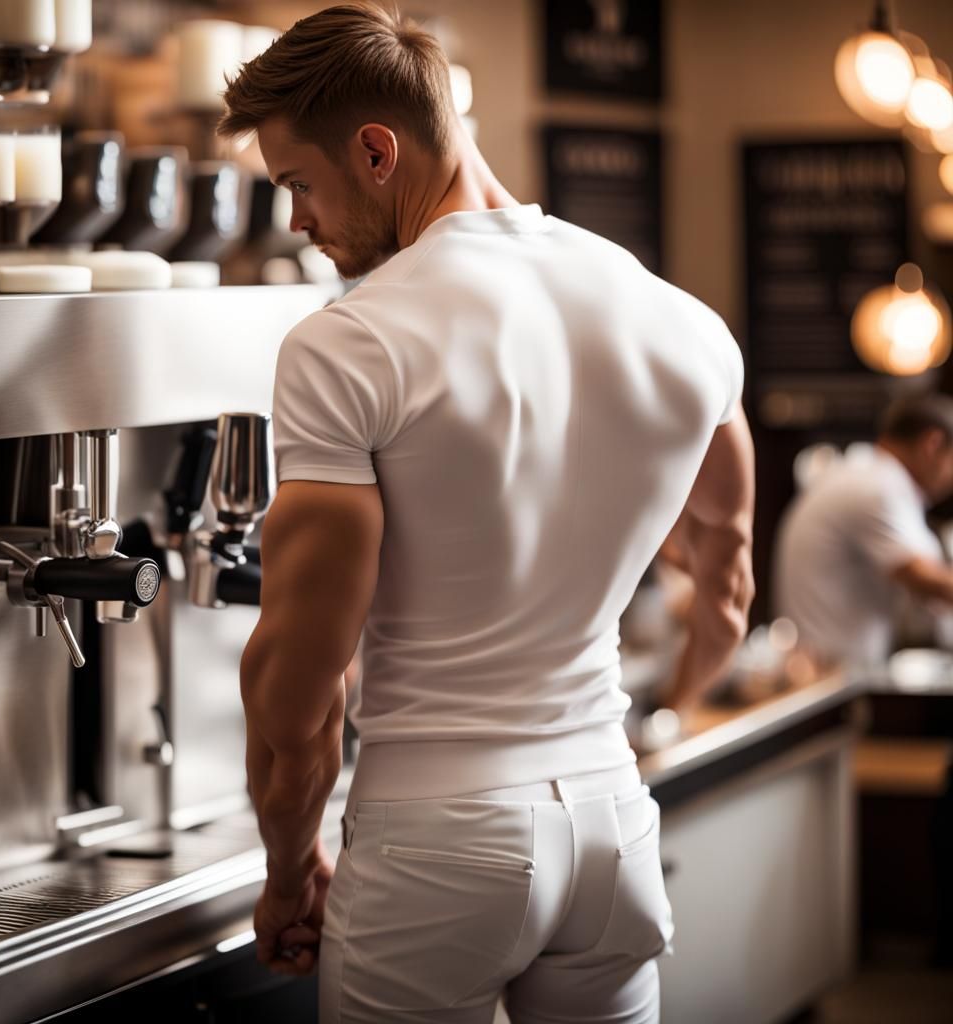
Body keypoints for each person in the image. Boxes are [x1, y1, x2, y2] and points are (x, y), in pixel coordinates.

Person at [218, 5, 754, 1021]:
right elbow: (725, 594)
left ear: (375, 150)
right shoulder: (687, 327)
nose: (297, 222)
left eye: (298, 184)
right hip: (612, 824)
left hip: (437, 842)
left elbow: (297, 687)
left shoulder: (349, 345)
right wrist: (659, 717)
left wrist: (291, 869)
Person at [774, 393, 953, 672]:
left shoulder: (861, 473)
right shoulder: (880, 485)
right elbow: (930, 581)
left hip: (822, 668)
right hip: (833, 676)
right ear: (933, 444)